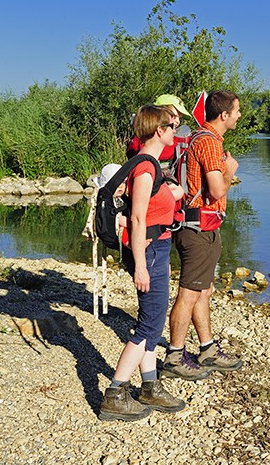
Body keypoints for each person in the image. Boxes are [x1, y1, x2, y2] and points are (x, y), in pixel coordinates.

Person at [99, 105, 188, 422]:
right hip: (149, 253)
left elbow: (149, 210)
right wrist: (140, 266)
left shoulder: (150, 165)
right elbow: (137, 219)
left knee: (153, 322)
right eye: (172, 126)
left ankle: (149, 387)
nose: (176, 131)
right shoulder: (147, 169)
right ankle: (115, 393)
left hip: (157, 250)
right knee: (148, 326)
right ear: (159, 131)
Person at [163, 90, 243, 380]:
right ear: (224, 115)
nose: (239, 115)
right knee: (189, 292)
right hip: (196, 228)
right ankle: (174, 356)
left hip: (204, 226)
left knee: (203, 290)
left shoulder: (202, 138)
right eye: (236, 111)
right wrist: (229, 171)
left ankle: (207, 349)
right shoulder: (208, 142)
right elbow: (216, 190)